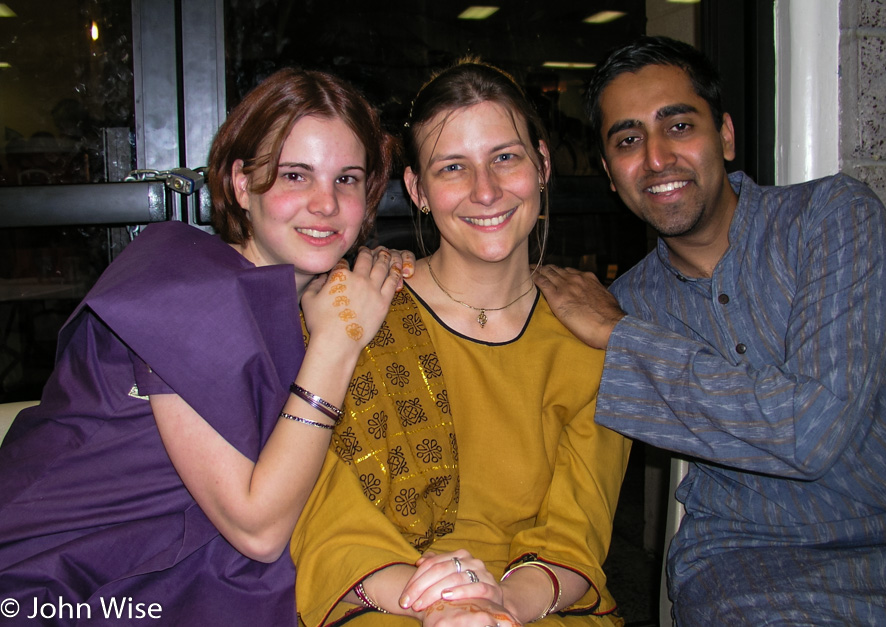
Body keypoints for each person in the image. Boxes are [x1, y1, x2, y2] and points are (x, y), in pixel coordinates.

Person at [534, 35, 886, 624]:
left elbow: (811, 431)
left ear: (724, 135)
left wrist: (624, 339)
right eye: (628, 140)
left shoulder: (831, 219)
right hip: (750, 565)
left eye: (678, 126)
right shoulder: (623, 305)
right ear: (608, 172)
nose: (655, 158)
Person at [0, 68, 413, 626]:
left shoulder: (297, 296)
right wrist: (338, 344)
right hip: (52, 576)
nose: (326, 203)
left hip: (161, 573)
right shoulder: (184, 279)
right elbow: (259, 530)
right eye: (296, 175)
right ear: (242, 185)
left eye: (348, 179)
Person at [291, 60, 631, 627]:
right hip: (386, 596)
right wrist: (444, 605)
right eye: (453, 167)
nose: (486, 190)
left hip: (540, 604)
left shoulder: (591, 339)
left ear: (542, 165)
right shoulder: (355, 316)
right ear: (417, 190)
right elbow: (330, 517)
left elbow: (577, 535)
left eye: (505, 157)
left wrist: (498, 606)